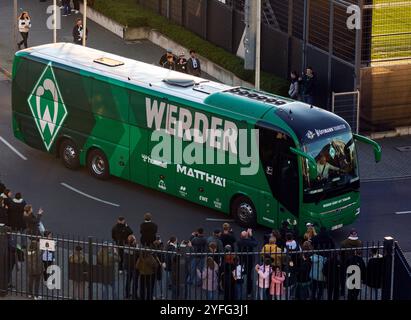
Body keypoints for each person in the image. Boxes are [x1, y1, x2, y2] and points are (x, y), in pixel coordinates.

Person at [236, 229, 258, 299]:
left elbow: (242, 238)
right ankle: (249, 292)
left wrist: (246, 235)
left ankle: (239, 289)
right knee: (249, 276)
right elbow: (256, 243)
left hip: (242, 259)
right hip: (249, 260)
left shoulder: (239, 242)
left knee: (240, 274)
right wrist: (251, 235)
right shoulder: (249, 242)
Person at [123, 235, 139, 300]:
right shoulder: (135, 249)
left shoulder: (126, 247)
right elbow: (138, 256)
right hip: (134, 267)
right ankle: (134, 295)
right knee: (135, 282)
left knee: (128, 281)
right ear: (133, 241)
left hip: (128, 266)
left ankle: (127, 294)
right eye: (135, 239)